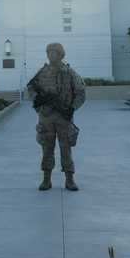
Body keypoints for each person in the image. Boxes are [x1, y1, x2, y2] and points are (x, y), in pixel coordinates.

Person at [27, 43, 86, 191]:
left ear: (61, 54)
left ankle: (69, 179)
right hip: (46, 117)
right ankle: (46, 180)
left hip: (63, 117)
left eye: (54, 52)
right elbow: (31, 88)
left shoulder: (69, 72)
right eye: (49, 52)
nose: (51, 55)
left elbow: (81, 92)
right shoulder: (42, 72)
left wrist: (72, 108)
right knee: (47, 148)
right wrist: (39, 105)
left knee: (66, 148)